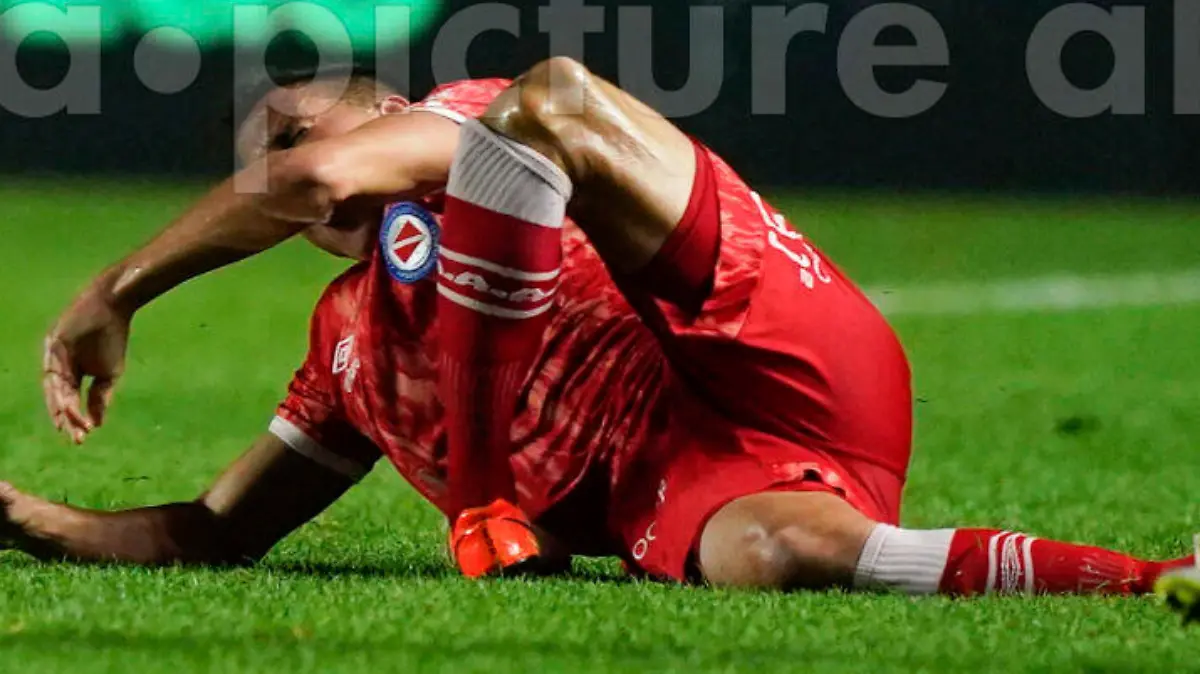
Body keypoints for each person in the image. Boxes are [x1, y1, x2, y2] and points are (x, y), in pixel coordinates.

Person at [31, 58, 1195, 594]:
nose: (283, 167)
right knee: (776, 560)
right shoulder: (354, 346)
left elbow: (329, 179)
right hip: (699, 479)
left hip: (763, 338)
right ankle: (1160, 576)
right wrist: (21, 517)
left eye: (296, 127)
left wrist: (114, 291)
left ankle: (484, 489)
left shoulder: (464, 115)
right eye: (261, 166)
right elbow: (208, 532)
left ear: (387, 108)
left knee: (553, 108)